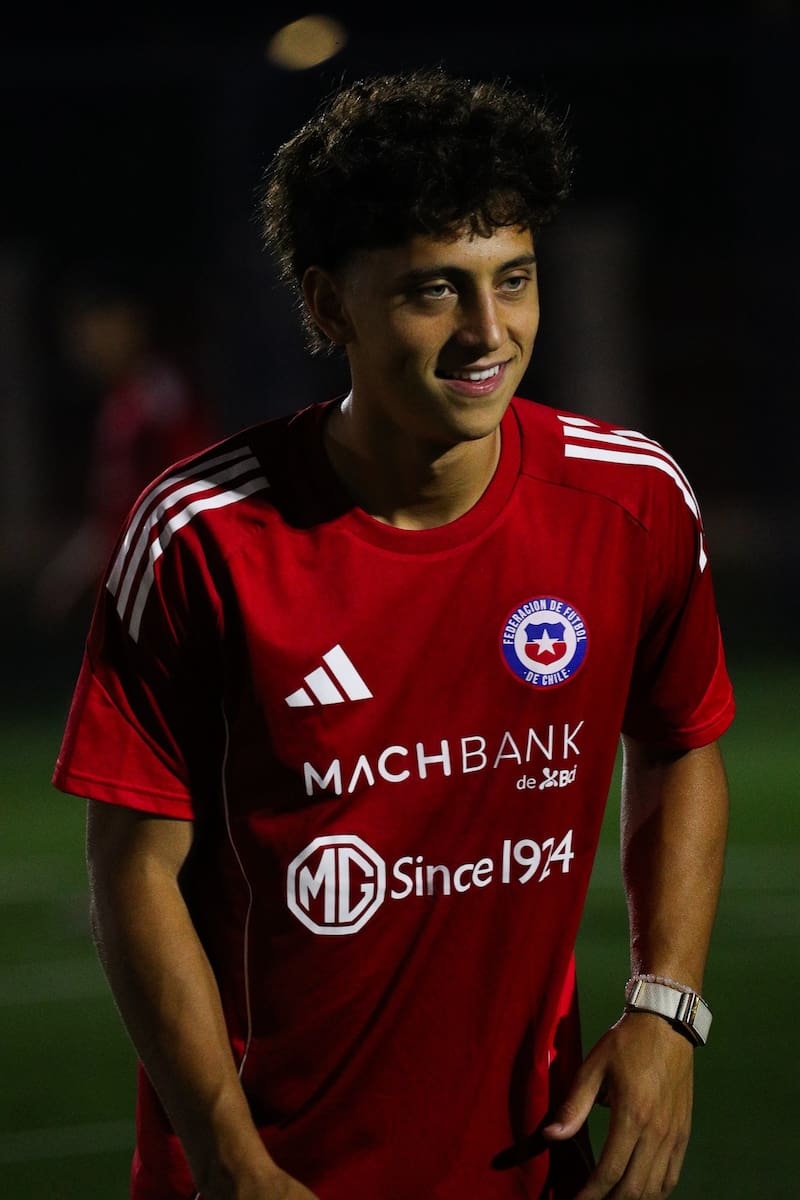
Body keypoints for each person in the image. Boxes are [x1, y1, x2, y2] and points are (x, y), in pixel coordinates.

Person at [52, 68, 734, 1200]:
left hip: (532, 1160)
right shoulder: (201, 538)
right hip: (267, 1172)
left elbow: (676, 738)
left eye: (511, 280)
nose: (487, 332)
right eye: (433, 290)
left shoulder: (631, 501)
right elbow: (135, 869)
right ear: (327, 306)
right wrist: (223, 1151)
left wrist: (666, 1008)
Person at [33, 275, 215, 625]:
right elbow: (113, 514)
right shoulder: (118, 405)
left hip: (171, 596)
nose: (88, 344)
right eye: (80, 334)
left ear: (132, 324)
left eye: (98, 328)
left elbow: (196, 492)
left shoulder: (161, 399)